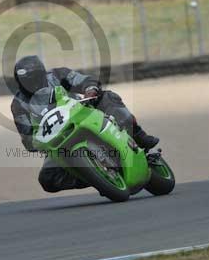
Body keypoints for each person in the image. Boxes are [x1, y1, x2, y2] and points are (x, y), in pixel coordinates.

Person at [11, 55, 159, 193]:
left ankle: (139, 135)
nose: (30, 84)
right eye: (24, 81)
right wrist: (35, 142)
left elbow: (82, 80)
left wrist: (90, 89)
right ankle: (94, 176)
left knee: (108, 97)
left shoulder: (57, 75)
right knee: (48, 179)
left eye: (33, 78)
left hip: (83, 113)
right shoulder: (19, 105)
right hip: (58, 141)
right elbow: (27, 137)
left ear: (42, 74)